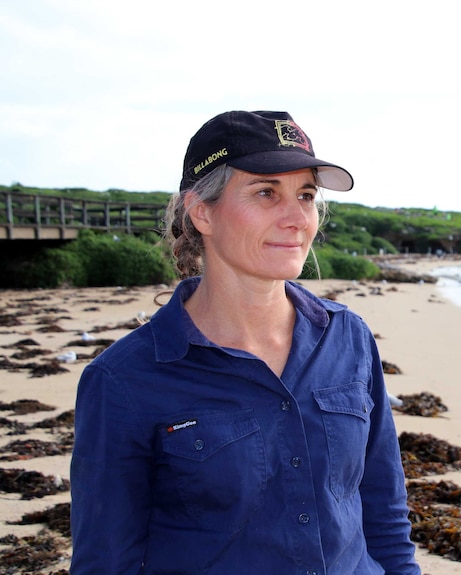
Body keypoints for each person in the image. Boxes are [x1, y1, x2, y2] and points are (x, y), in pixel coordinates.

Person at [70, 110, 421, 574]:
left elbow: (384, 507)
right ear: (202, 212)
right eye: (265, 193)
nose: (297, 218)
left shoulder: (348, 337)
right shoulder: (124, 379)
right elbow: (104, 562)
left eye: (306, 195)